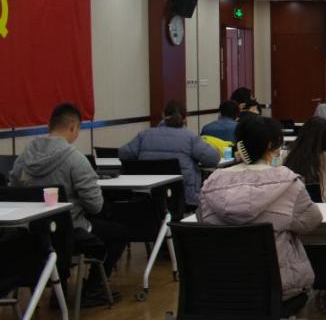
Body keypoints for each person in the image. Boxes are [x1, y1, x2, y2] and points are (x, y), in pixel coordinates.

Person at [198, 115, 321, 320]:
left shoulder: (212, 183)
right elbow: (311, 222)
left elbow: (202, 222)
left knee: (249, 293)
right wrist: (283, 222)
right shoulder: (287, 182)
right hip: (276, 292)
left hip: (220, 292)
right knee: (274, 292)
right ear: (271, 147)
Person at [11, 103, 126, 305]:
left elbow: (14, 192)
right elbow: (95, 206)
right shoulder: (76, 159)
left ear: (50, 125)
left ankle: (60, 293)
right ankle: (93, 289)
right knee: (118, 233)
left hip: (32, 233)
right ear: (73, 127)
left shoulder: (24, 157)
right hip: (70, 231)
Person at [119, 100, 220, 207]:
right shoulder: (190, 137)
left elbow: (123, 153)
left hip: (147, 196)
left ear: (163, 115)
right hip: (184, 197)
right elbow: (213, 159)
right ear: (185, 118)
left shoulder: (144, 135)